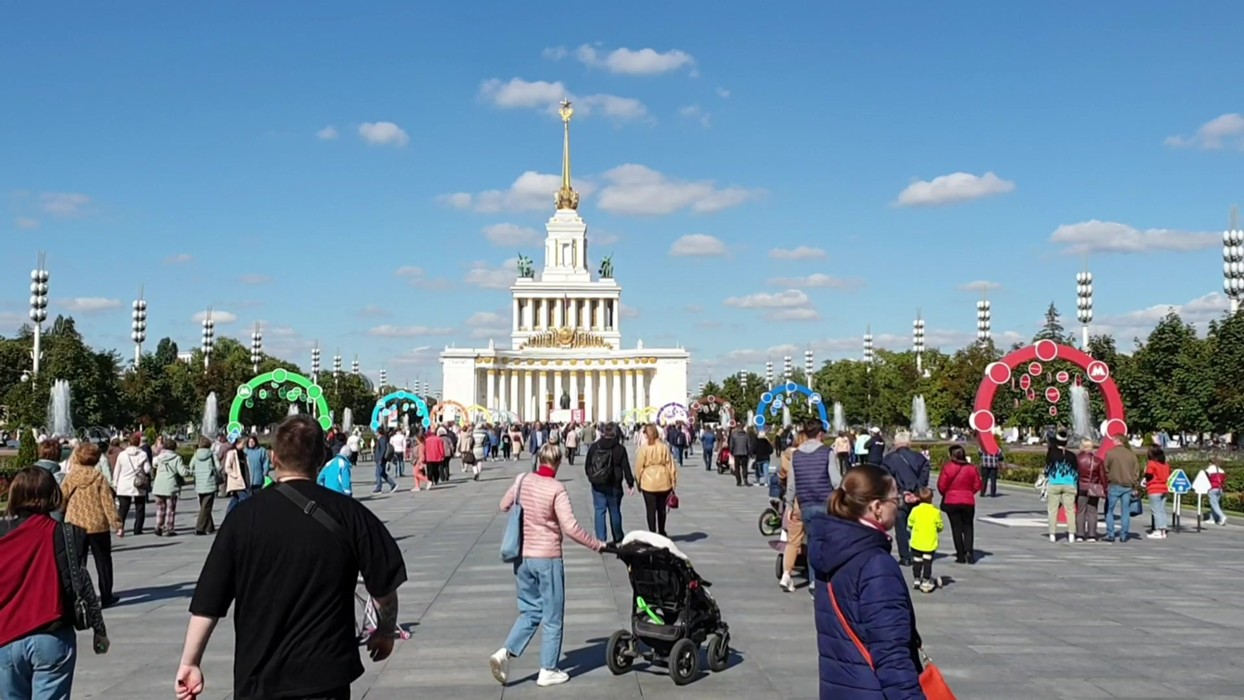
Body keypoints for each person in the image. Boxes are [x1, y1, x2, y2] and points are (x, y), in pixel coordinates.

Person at [176, 415, 407, 700]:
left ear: (273, 458)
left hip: (259, 678)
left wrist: (190, 662)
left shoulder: (243, 518)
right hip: (325, 676)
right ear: (321, 458)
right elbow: (384, 588)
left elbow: (208, 601)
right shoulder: (351, 514)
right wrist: (385, 632)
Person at [490, 443, 604, 688]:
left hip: (522, 558)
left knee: (530, 610)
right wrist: (597, 545)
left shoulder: (522, 480)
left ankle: (505, 653)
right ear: (558, 462)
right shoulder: (556, 489)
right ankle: (548, 669)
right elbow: (570, 527)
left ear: (539, 459)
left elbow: (503, 505)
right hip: (547, 557)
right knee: (552, 615)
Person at [809, 464, 923, 698]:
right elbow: (892, 654)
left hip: (838, 686)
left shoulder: (831, 548)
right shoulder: (875, 563)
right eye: (895, 498)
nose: (899, 504)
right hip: (873, 690)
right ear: (876, 507)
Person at [0, 467, 110, 699]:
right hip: (52, 635)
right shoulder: (67, 534)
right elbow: (81, 581)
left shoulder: (2, 533)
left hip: (5, 637)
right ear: (54, 495)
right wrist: (99, 630)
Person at [59, 442, 122, 607]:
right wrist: (117, 523)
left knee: (77, 562)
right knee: (103, 561)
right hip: (97, 524)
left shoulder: (70, 477)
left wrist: (63, 513)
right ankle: (106, 595)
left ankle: (80, 595)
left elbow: (61, 498)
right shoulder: (99, 477)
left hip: (75, 523)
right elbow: (108, 503)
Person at [879, 431, 930, 567]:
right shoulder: (920, 458)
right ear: (909, 443)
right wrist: (917, 492)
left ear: (896, 444)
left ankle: (905, 557)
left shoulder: (888, 459)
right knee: (918, 526)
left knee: (900, 528)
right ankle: (919, 554)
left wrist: (903, 493)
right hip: (918, 497)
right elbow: (924, 476)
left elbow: (887, 480)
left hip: (899, 498)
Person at [583, 422, 635, 544]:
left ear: (603, 432)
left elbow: (587, 465)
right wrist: (630, 483)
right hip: (614, 484)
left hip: (598, 485)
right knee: (615, 510)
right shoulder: (620, 448)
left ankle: (601, 539)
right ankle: (618, 536)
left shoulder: (595, 447)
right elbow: (625, 466)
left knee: (599, 510)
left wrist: (592, 477)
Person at [790, 421, 836, 550]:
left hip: (805, 504)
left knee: (812, 543)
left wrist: (789, 505)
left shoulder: (796, 455)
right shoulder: (827, 452)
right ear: (820, 434)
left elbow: (791, 484)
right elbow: (836, 481)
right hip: (825, 503)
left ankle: (813, 569)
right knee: (827, 543)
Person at [936, 444, 982, 563]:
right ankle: (969, 552)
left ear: (951, 455)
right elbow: (978, 484)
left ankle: (960, 555)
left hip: (952, 501)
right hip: (968, 501)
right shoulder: (972, 468)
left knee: (956, 528)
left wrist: (947, 493)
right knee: (968, 527)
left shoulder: (947, 467)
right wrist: (969, 492)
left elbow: (942, 485)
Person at [635, 424, 679, 537]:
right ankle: (662, 531)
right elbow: (671, 465)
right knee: (661, 509)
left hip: (648, 482)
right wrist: (673, 481)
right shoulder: (663, 447)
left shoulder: (644, 448)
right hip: (663, 480)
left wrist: (638, 481)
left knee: (650, 510)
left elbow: (639, 467)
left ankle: (652, 532)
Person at [112, 433, 151, 535]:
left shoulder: (122, 454)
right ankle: (137, 529)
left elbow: (117, 470)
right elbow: (147, 469)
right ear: (138, 443)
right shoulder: (142, 454)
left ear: (129, 443)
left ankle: (120, 528)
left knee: (123, 508)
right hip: (138, 483)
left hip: (124, 483)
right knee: (140, 507)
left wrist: (115, 483)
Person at [1044, 430, 1079, 543]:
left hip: (1054, 483)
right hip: (1069, 484)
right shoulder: (1072, 455)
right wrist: (1074, 484)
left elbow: (1047, 469)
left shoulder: (1051, 454)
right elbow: (1076, 472)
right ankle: (1071, 534)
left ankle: (1052, 534)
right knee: (1070, 510)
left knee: (1052, 510)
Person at [1103, 435, 1139, 543]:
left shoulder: (1110, 453)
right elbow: (1136, 472)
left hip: (1114, 484)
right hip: (1127, 486)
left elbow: (1105, 469)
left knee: (1109, 510)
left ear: (1118, 441)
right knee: (1125, 511)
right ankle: (1123, 535)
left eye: (1114, 440)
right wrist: (1134, 483)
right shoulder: (1131, 455)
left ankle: (1111, 534)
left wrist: (1108, 479)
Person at [907, 487, 943, 593]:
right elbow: (940, 526)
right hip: (929, 542)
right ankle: (926, 580)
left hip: (917, 541)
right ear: (931, 498)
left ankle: (917, 579)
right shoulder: (935, 512)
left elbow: (910, 523)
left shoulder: (915, 510)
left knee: (917, 561)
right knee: (927, 562)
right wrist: (937, 528)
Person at [152, 438, 191, 537]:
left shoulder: (159, 457)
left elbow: (154, 464)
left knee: (160, 508)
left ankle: (158, 526)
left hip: (158, 485)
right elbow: (182, 472)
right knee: (170, 509)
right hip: (170, 485)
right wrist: (191, 472)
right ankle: (169, 528)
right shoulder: (177, 458)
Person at [1075, 439, 1108, 542]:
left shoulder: (1077, 459)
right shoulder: (1098, 461)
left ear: (1082, 446)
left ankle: (1080, 534)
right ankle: (1092, 535)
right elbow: (1103, 476)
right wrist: (1105, 488)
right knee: (1092, 511)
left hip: (1080, 487)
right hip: (1093, 488)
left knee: (1080, 511)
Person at [189, 438, 222, 536]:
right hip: (210, 483)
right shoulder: (212, 454)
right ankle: (199, 528)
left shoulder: (196, 455)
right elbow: (218, 467)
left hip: (199, 484)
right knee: (206, 507)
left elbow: (191, 467)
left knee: (204, 506)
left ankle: (209, 527)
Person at [1143, 445, 1172, 540]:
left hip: (1154, 488)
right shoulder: (1166, 464)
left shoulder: (1151, 463)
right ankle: (1163, 530)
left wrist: (1145, 473)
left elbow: (1149, 475)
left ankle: (1158, 530)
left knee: (1156, 511)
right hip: (1164, 488)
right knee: (1162, 510)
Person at [222, 436, 249, 515]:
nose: (244, 446)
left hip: (243, 479)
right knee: (245, 498)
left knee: (235, 499)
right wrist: (235, 475)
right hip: (236, 481)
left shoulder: (243, 454)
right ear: (238, 444)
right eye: (243, 444)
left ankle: (229, 514)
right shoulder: (232, 453)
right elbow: (227, 467)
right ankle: (246, 514)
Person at [372, 429, 397, 494]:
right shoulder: (381, 439)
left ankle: (378, 488)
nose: (375, 433)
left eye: (376, 432)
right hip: (380, 459)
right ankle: (393, 484)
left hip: (381, 460)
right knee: (382, 473)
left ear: (379, 432)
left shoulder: (382, 439)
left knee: (378, 474)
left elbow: (383, 450)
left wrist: (380, 459)